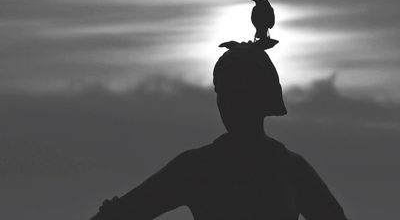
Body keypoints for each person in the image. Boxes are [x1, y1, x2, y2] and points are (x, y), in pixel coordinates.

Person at [91, 41, 347, 220]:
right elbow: (128, 212)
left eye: (238, 92)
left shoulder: (290, 169)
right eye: (221, 93)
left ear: (259, 98)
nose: (226, 103)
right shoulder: (196, 168)